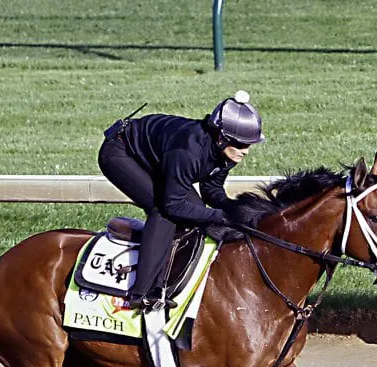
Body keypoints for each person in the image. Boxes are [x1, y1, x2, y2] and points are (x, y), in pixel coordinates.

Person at [97, 90, 265, 312]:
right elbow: (172, 205)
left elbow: (211, 188)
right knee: (163, 212)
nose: (246, 151)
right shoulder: (190, 152)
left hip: (157, 158)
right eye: (242, 145)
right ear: (221, 137)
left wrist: (234, 209)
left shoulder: (226, 152)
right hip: (120, 153)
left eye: (250, 145)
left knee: (195, 210)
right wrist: (221, 216)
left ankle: (172, 275)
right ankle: (143, 292)